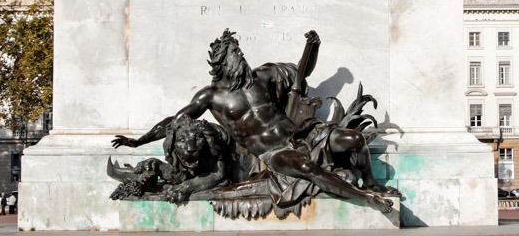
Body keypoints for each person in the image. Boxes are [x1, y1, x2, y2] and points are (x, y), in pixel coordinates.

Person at [113, 29, 394, 213]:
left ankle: (371, 183)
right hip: (275, 152)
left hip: (302, 135)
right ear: (223, 62)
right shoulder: (212, 97)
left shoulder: (263, 76)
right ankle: (367, 200)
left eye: (240, 51)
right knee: (307, 167)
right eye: (236, 53)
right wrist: (138, 141)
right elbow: (172, 122)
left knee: (355, 140)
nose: (242, 56)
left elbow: (301, 74)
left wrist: (312, 47)